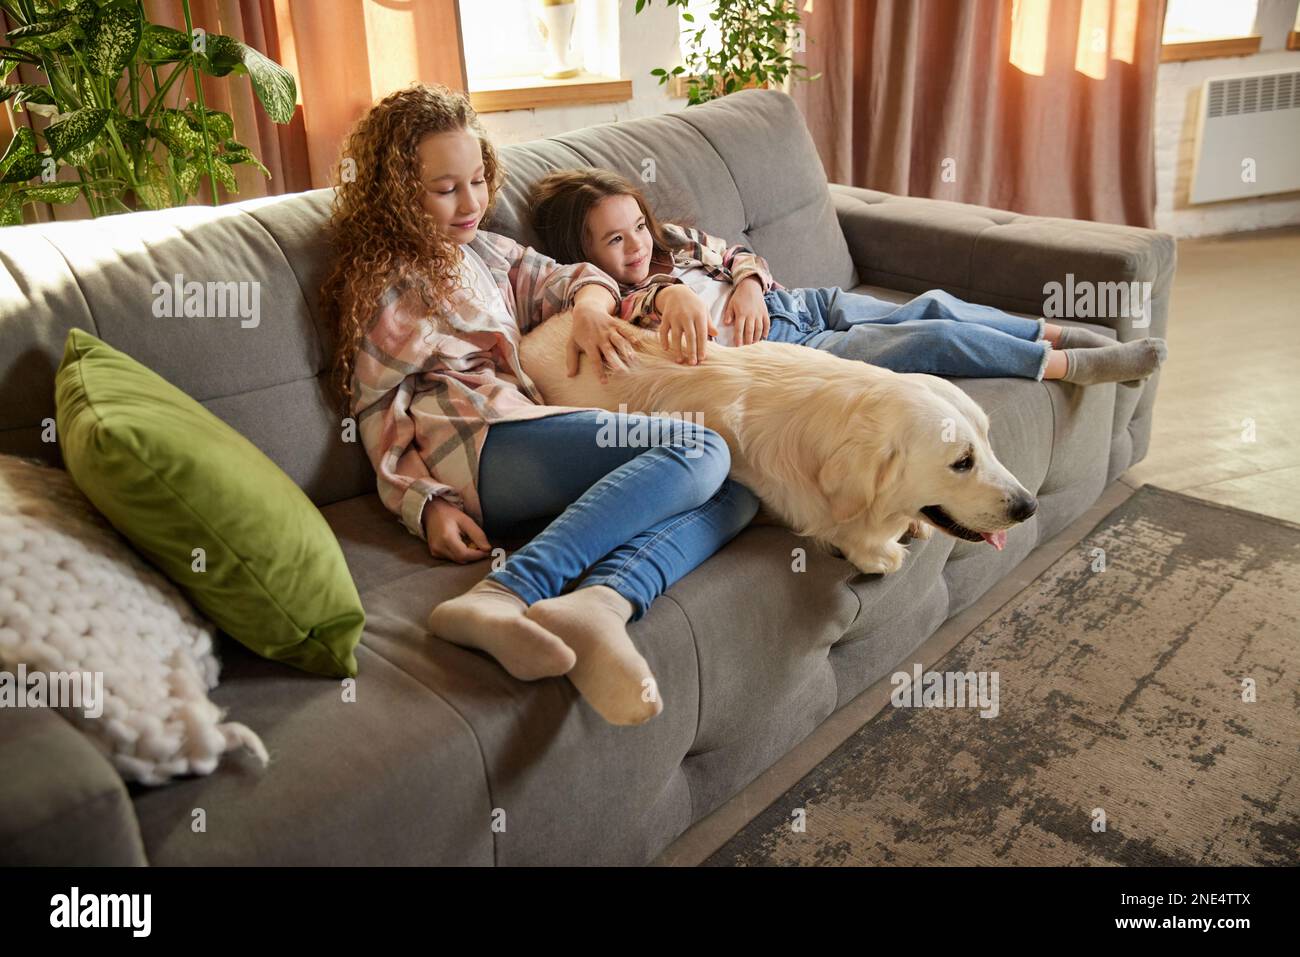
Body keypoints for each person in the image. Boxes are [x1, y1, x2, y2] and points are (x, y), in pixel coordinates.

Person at [321, 85, 759, 725]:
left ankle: (602, 602)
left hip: (529, 426)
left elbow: (571, 276)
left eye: (477, 180)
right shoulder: (390, 280)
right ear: (394, 193)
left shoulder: (486, 251)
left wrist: (586, 307)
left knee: (741, 484)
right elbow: (379, 411)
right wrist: (424, 505)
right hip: (476, 445)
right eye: (446, 189)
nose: (471, 202)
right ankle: (504, 592)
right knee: (698, 446)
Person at [528, 168, 1168, 385]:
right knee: (932, 341)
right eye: (616, 239)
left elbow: (741, 256)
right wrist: (670, 296)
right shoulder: (612, 298)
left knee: (934, 303)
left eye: (637, 224)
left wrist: (750, 282)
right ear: (584, 254)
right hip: (789, 349)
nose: (637, 244)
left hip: (803, 304)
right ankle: (1063, 366)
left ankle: (1051, 331)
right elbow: (644, 305)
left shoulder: (675, 239)